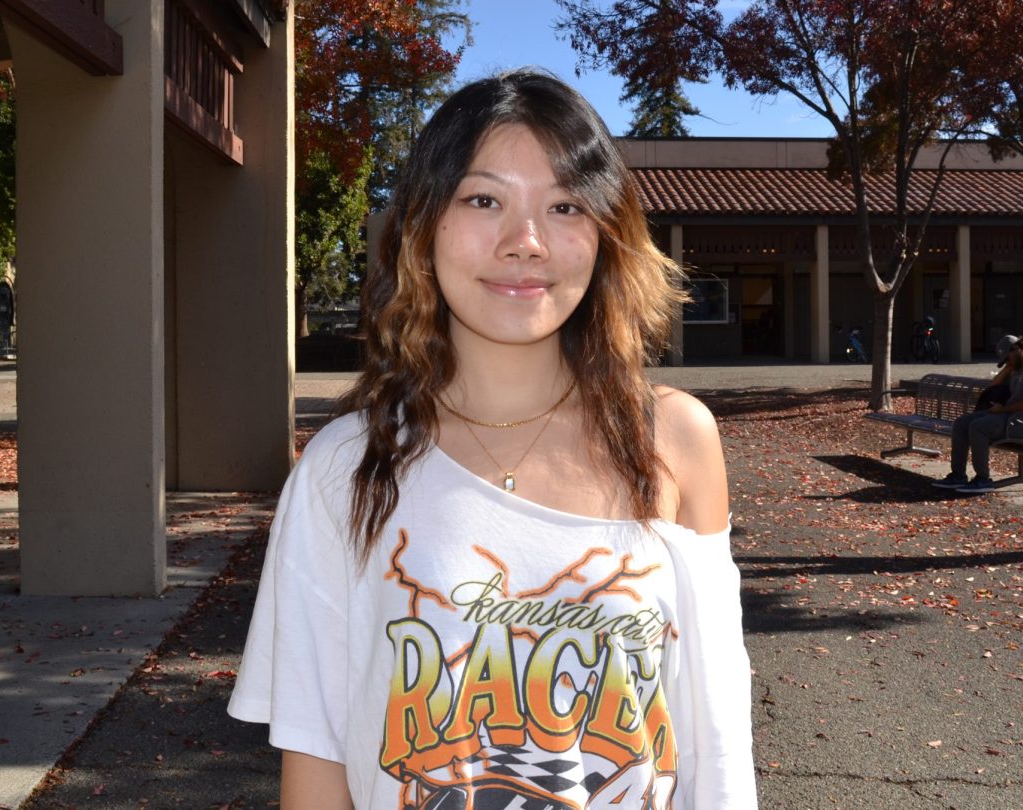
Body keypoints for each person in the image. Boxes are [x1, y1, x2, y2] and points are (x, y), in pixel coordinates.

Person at [227, 69, 757, 809]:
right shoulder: (345, 468)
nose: (525, 242)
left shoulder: (674, 440)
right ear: (424, 225)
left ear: (605, 235)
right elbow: (316, 758)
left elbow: (717, 735)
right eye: (484, 199)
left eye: (565, 205)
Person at [932, 335, 1023, 494]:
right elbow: (993, 386)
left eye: (1008, 358)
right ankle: (958, 475)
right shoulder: (1019, 367)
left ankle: (983, 479)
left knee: (979, 427)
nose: (1008, 362)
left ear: (1018, 349)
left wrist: (1003, 409)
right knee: (961, 423)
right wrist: (1008, 368)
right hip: (1012, 417)